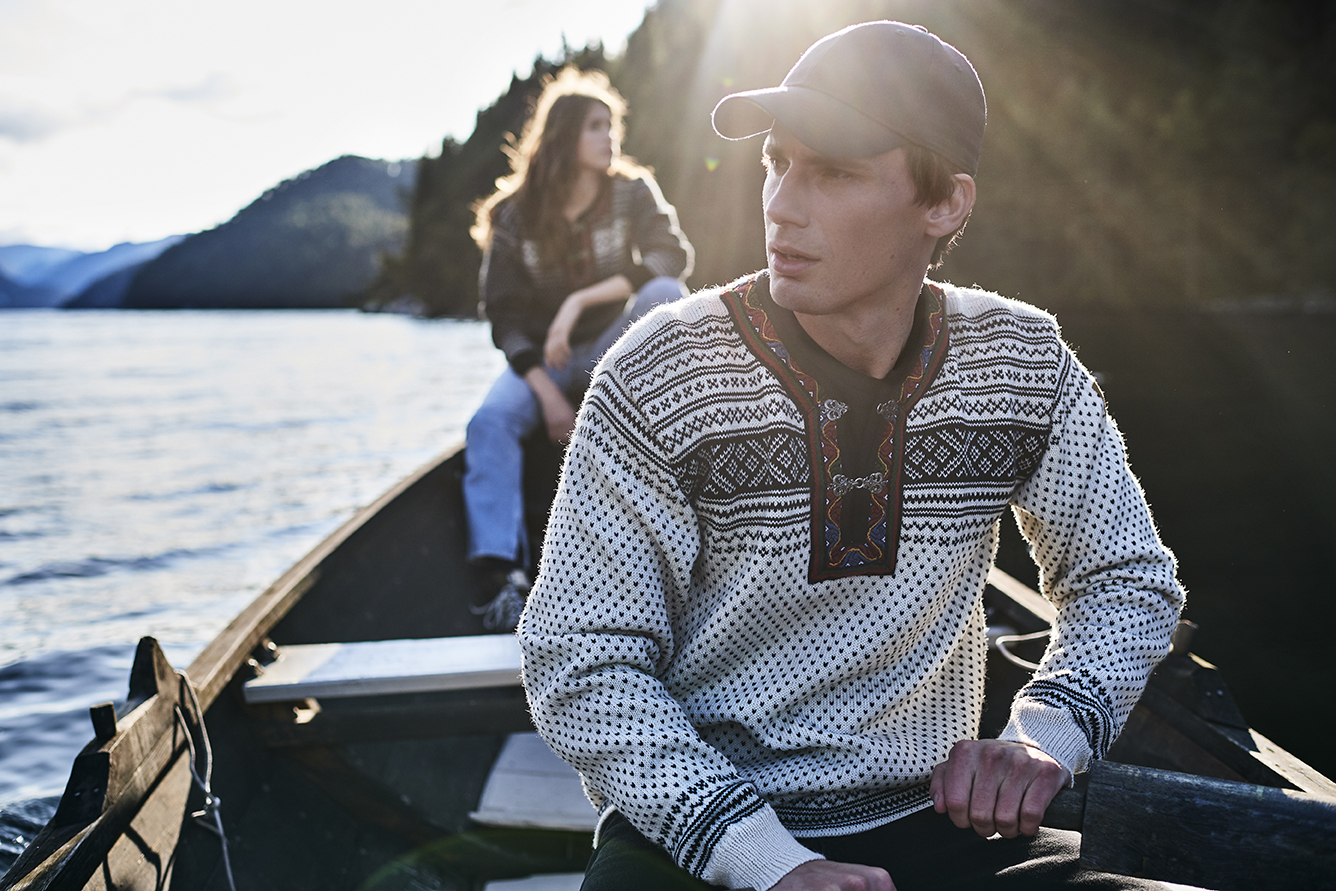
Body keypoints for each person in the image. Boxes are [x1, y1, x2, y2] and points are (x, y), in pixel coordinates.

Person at [519, 21, 1184, 891]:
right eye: (777, 162)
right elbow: (578, 657)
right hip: (697, 838)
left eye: (832, 172)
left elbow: (1126, 578)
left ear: (945, 204)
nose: (781, 204)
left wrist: (1045, 734)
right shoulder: (660, 373)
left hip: (941, 819)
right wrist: (771, 863)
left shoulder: (1022, 363)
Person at [464, 68, 694, 629]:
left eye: (610, 125)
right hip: (543, 363)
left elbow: (672, 256)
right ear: (564, 135)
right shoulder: (514, 213)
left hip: (610, 353)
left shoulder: (632, 189)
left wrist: (578, 302)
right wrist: (547, 395)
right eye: (595, 126)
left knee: (665, 293)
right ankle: (502, 579)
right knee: (489, 424)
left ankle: (660, 429)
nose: (608, 136)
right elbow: (504, 315)